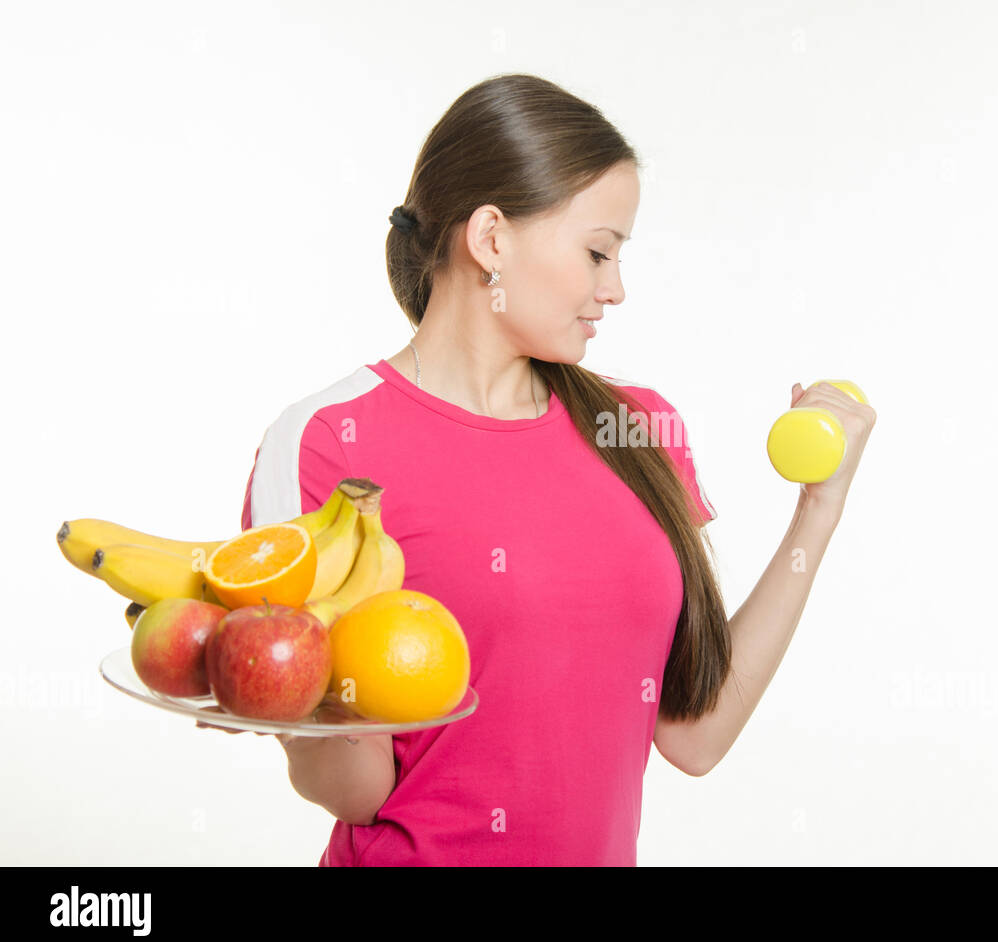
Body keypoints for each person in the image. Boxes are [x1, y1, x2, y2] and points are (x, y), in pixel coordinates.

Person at [210, 73, 875, 866]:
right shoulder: (326, 443)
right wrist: (289, 701)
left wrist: (819, 510)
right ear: (491, 239)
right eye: (598, 252)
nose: (616, 289)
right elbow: (359, 789)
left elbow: (696, 735)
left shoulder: (639, 431)